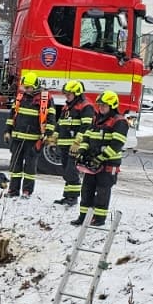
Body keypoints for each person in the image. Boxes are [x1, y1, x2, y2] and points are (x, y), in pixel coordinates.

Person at [71, 90, 129, 228]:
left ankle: (99, 218)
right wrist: (82, 151)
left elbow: (117, 144)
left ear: (112, 106)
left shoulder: (119, 121)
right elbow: (87, 136)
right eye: (100, 105)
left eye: (104, 106)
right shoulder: (96, 119)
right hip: (92, 162)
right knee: (86, 190)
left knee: (103, 191)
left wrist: (101, 157)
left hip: (109, 163)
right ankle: (83, 217)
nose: (101, 108)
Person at [50, 80, 94, 207]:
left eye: (69, 94)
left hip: (74, 147)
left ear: (77, 94)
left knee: (71, 172)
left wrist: (77, 142)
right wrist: (54, 137)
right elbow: (60, 124)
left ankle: (73, 198)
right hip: (64, 145)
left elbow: (86, 126)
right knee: (66, 171)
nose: (66, 96)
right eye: (66, 94)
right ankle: (67, 196)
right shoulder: (67, 107)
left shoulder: (86, 107)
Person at [5, 76, 48, 198]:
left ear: (35, 87)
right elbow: (12, 116)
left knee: (30, 167)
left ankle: (27, 191)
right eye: (25, 87)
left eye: (29, 87)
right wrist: (7, 131)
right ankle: (13, 190)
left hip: (33, 140)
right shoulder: (20, 97)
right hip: (17, 139)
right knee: (15, 166)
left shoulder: (44, 99)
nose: (26, 89)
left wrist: (47, 134)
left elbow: (50, 119)